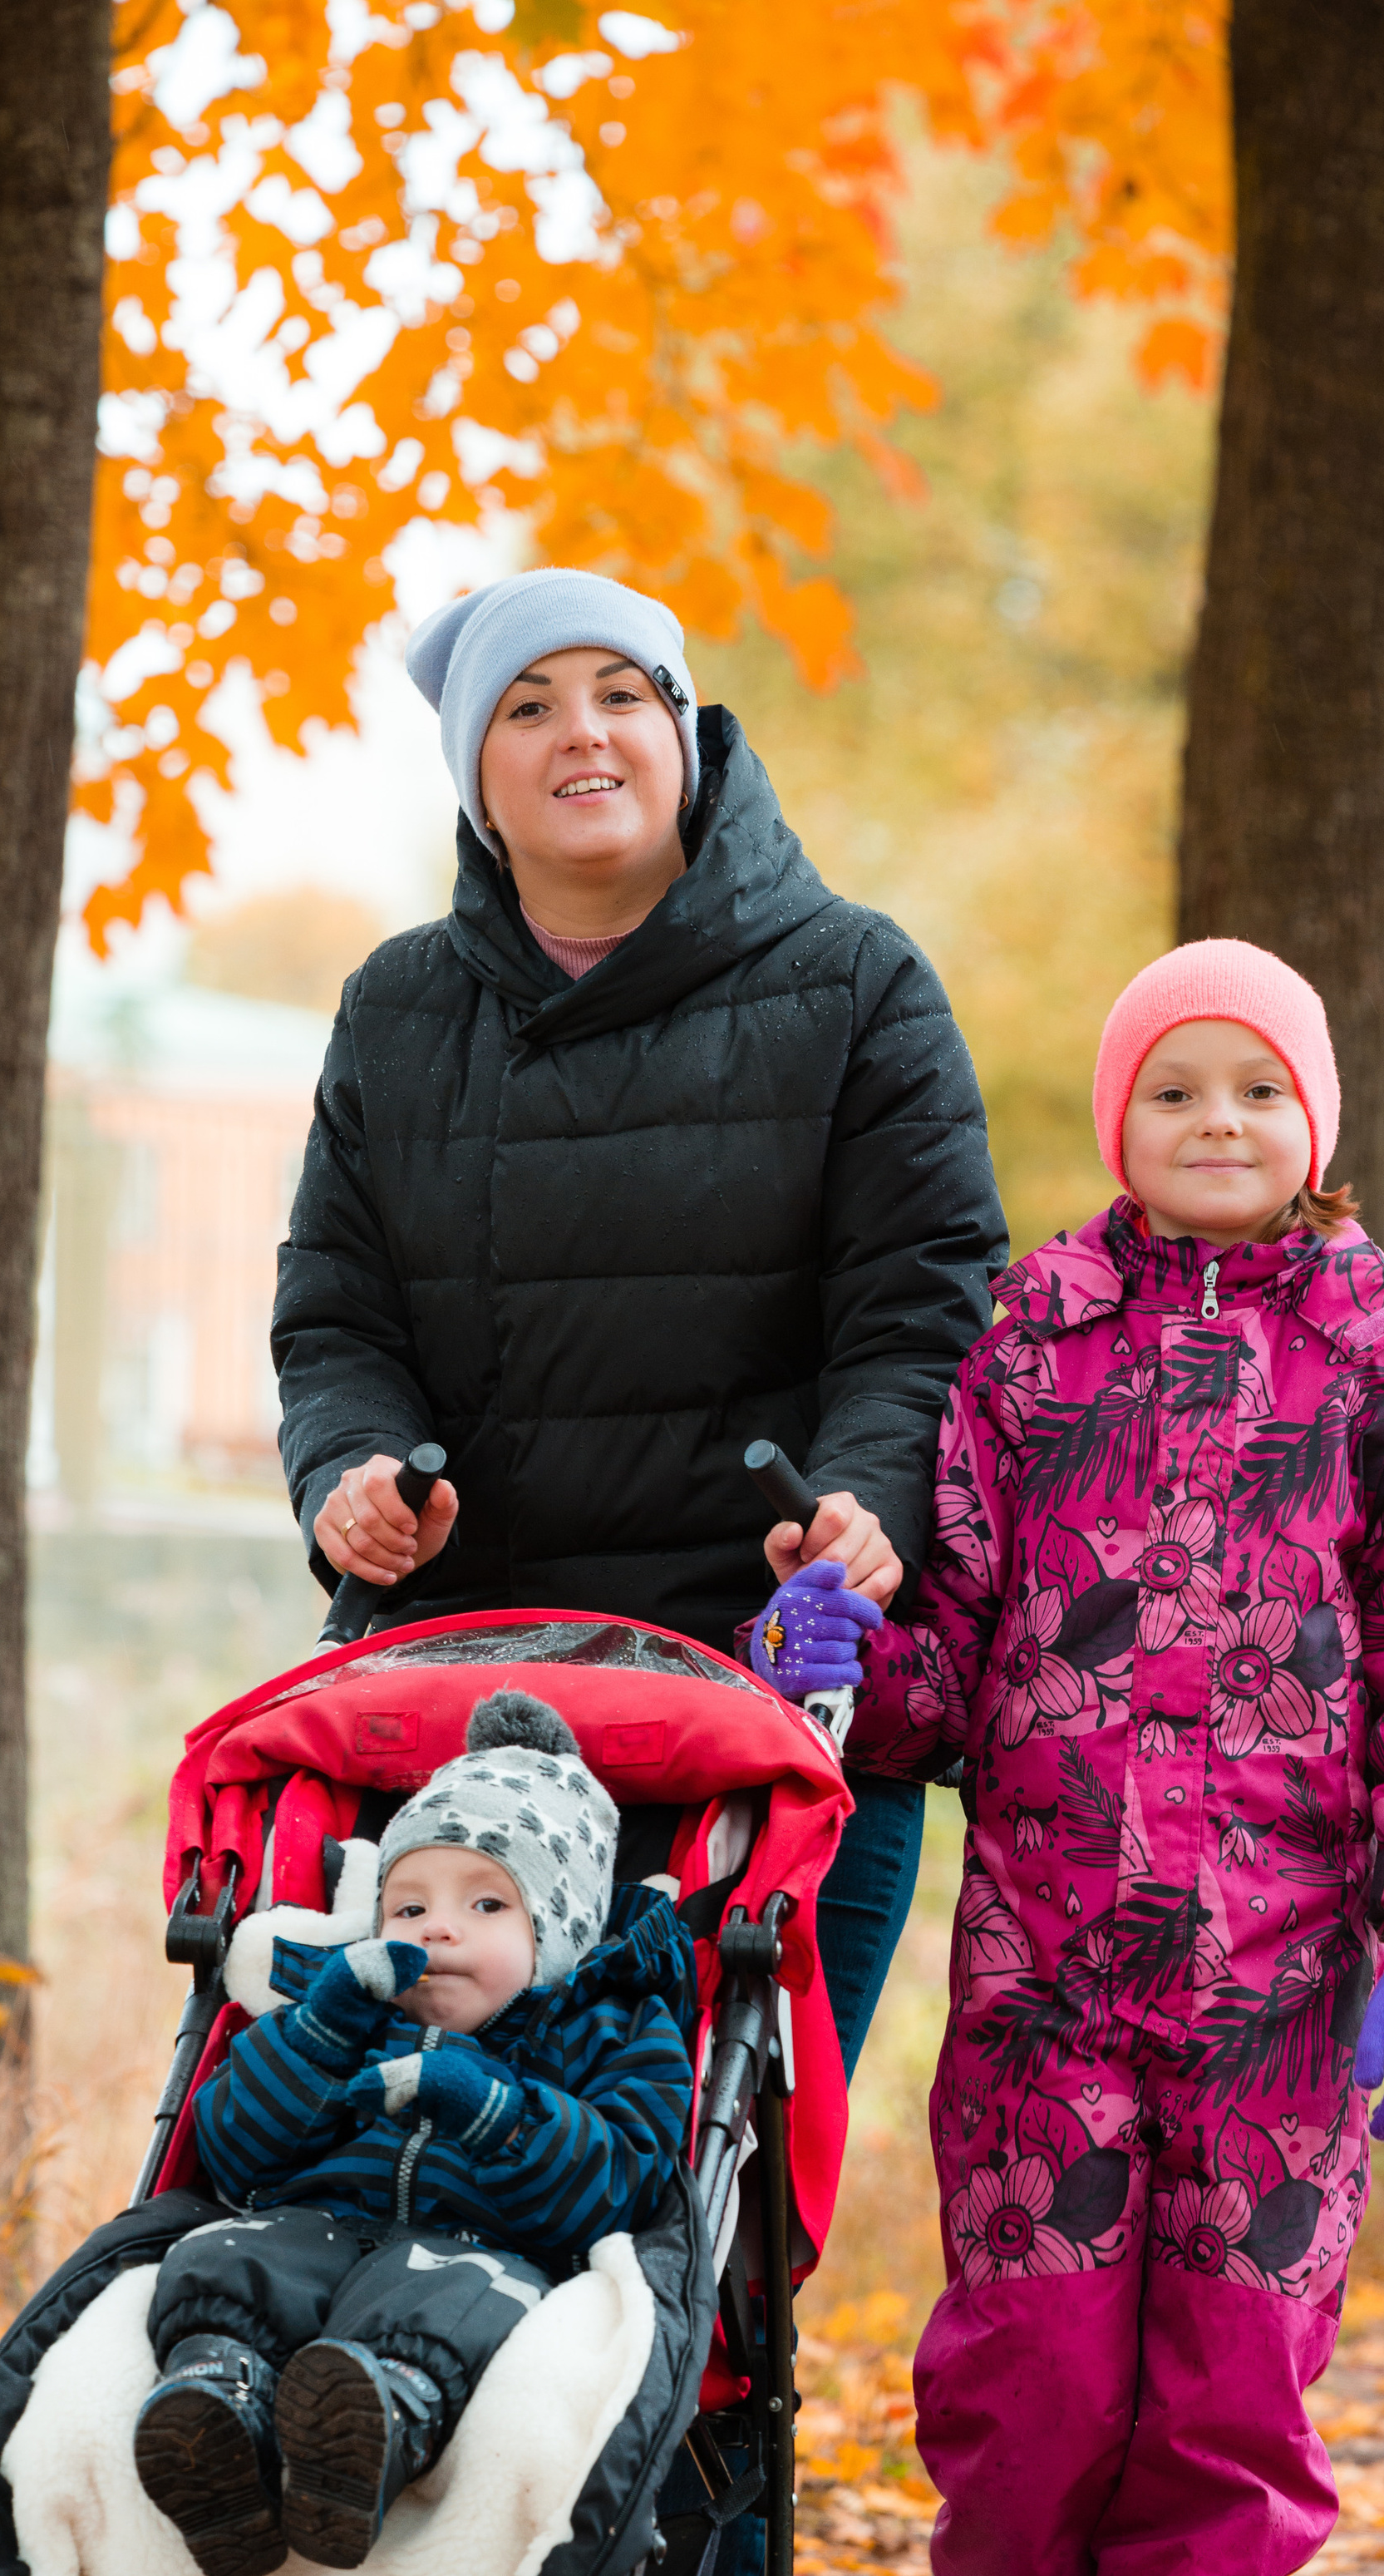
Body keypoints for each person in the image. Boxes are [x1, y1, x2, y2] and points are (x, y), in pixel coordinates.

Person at [835, 938, 1384, 2576]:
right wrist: (842, 1660)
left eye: (1254, 1088)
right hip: (1045, 1978)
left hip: (1286, 1990)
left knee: (1227, 2398)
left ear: (1308, 1124)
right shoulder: (1025, 1339)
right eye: (1173, 1088)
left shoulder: (1381, 1356)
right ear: (1116, 1122)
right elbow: (942, 1661)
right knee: (1029, 2383)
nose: (1214, 1120)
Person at [271, 565, 1007, 2080]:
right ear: (477, 779)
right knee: (415, 2139)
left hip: (773, 1688)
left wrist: (867, 1504)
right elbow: (336, 1315)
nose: (581, 735)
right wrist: (348, 1475)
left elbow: (923, 1306)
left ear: (685, 730)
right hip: (467, 1691)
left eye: (621, 694)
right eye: (527, 709)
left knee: (712, 2199)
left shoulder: (858, 987)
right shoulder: (398, 1011)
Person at [131, 1691, 693, 2576]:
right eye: (409, 1905)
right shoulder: (343, 2007)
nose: (437, 1927)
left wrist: (490, 2106)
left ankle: (367, 2432)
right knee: (226, 2253)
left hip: (486, 2246)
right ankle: (215, 2418)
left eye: (486, 1904)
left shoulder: (607, 2031)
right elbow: (234, 2149)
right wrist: (320, 2028)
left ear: (561, 1936)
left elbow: (619, 2186)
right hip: (312, 2224)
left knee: (447, 2294)